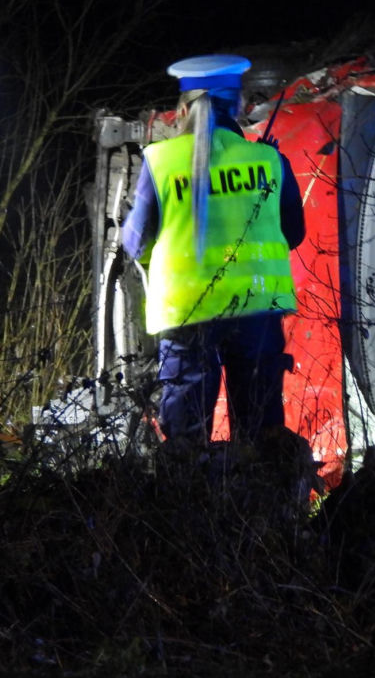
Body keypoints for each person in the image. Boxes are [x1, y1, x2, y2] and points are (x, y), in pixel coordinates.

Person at [122, 54, 306, 471]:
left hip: (188, 315)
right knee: (261, 440)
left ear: (183, 111)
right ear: (238, 106)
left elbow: (135, 243)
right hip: (256, 311)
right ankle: (266, 532)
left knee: (186, 447)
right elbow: (293, 234)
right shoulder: (269, 161)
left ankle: (190, 531)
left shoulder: (160, 162)